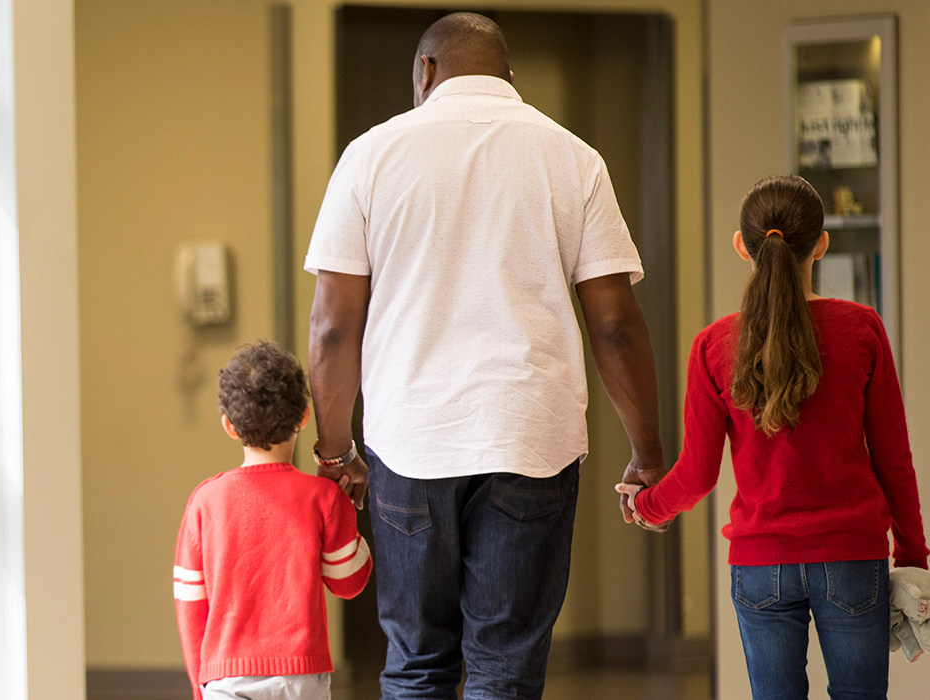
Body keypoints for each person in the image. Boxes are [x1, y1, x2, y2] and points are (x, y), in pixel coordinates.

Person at [303, 12, 668, 699]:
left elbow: (330, 327)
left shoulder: (370, 155)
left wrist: (332, 454)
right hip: (530, 440)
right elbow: (615, 324)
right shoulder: (571, 157)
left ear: (425, 71)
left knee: (415, 663)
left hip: (408, 444)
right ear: (508, 76)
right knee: (504, 666)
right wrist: (647, 454)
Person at [623, 174, 926, 700]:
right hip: (854, 559)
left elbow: (696, 475)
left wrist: (649, 505)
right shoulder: (862, 329)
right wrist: (915, 557)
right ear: (822, 244)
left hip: (762, 566)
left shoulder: (712, 345)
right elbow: (893, 459)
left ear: (743, 246)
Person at [174, 341, 371, 700]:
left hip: (226, 676)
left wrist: (198, 683)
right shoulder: (323, 497)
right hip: (302, 675)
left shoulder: (205, 501)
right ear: (304, 417)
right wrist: (343, 511)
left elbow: (189, 602)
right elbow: (348, 582)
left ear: (229, 426)